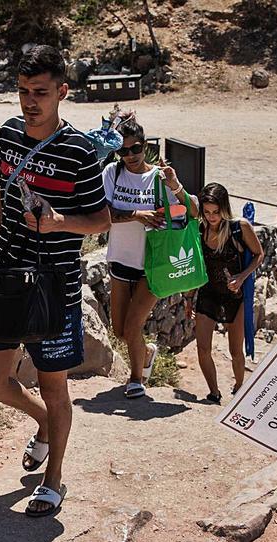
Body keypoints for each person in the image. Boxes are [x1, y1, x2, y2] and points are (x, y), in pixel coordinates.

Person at [0, 45, 110, 518]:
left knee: (54, 385)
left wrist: (59, 222)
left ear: (62, 92)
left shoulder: (81, 151)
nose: (29, 102)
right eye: (23, 92)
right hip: (6, 277)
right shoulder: (7, 136)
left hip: (54, 287)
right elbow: (2, 200)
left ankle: (53, 480)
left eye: (40, 92)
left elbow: (101, 219)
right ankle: (44, 422)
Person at [102, 117, 188, 399]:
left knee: (132, 324)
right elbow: (103, 216)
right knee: (119, 330)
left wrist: (171, 198)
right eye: (123, 151)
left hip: (152, 264)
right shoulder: (112, 174)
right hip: (120, 260)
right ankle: (147, 351)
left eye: (135, 149)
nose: (129, 156)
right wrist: (137, 215)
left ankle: (136, 379)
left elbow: (186, 213)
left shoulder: (159, 178)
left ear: (145, 145)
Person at [191, 183, 264, 403]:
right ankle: (214, 393)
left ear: (224, 208)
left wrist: (242, 277)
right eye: (207, 212)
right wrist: (188, 297)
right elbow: (196, 264)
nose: (211, 217)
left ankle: (240, 387)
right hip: (208, 292)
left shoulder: (239, 228)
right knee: (202, 347)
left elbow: (259, 254)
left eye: (215, 212)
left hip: (235, 296)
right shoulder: (199, 229)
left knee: (235, 350)